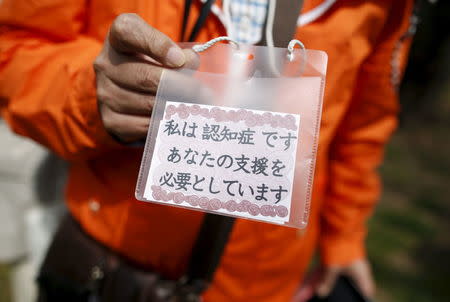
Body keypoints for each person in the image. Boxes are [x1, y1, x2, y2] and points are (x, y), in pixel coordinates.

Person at [0, 0, 415, 301]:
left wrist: (344, 239)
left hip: (264, 282)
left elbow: (362, 123)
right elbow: (14, 48)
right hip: (108, 268)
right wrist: (91, 97)